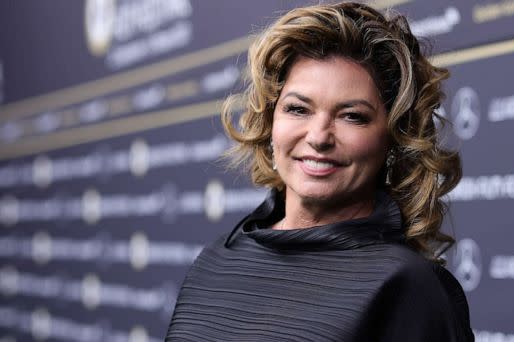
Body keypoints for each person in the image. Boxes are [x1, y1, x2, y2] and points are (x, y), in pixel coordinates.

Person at [166, 2, 473, 341]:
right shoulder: (215, 261)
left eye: (352, 116)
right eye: (298, 109)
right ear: (270, 123)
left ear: (394, 139)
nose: (318, 137)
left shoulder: (408, 287)